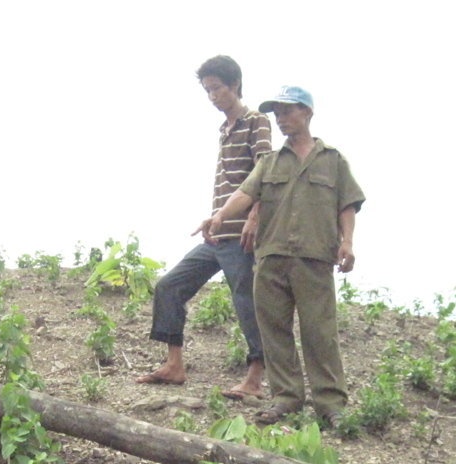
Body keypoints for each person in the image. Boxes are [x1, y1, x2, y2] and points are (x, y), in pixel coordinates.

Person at [199, 85, 365, 428]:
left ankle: (330, 405)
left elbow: (347, 204)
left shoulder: (332, 160)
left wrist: (347, 242)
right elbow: (245, 193)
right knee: (274, 331)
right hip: (272, 257)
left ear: (307, 112)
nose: (281, 119)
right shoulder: (270, 162)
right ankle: (286, 399)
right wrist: (219, 217)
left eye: (288, 111)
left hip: (314, 257)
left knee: (320, 332)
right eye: (277, 114)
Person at [136, 55, 271, 399]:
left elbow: (265, 173)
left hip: (241, 234)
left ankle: (255, 378)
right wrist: (215, 216)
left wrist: (255, 217)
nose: (212, 97)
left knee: (246, 302)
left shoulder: (256, 121)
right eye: (207, 91)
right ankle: (174, 364)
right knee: (169, 286)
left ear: (235, 85)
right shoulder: (225, 128)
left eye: (216, 89)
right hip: (217, 232)